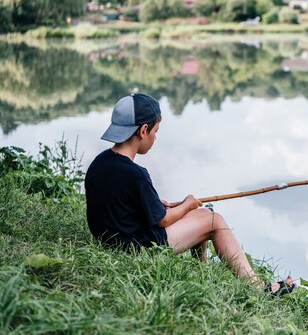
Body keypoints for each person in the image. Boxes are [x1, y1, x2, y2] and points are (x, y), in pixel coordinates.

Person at [85, 93, 293, 295]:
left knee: (201, 215)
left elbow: (117, 203)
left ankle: (201, 270)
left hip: (111, 239)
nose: (155, 137)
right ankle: (257, 287)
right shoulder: (135, 174)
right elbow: (164, 221)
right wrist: (187, 204)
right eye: (156, 131)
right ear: (143, 130)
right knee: (213, 220)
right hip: (136, 248)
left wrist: (155, 204)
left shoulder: (100, 162)